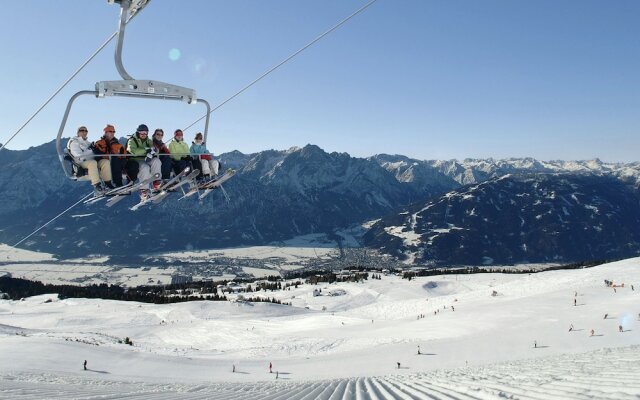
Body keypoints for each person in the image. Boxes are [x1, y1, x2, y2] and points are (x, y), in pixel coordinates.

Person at [68, 126, 112, 194]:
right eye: (82, 130)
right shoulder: (74, 142)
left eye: (86, 131)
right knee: (93, 163)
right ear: (78, 132)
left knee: (105, 162)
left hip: (90, 161)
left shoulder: (86, 142)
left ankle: (108, 183)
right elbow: (78, 155)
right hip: (80, 163)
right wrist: (90, 150)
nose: (84, 132)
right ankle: (97, 186)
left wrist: (96, 149)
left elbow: (92, 152)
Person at [126, 124, 162, 198]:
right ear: (138, 132)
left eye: (145, 133)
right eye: (142, 132)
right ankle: (144, 190)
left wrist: (153, 151)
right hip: (136, 159)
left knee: (157, 161)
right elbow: (133, 151)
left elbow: (155, 149)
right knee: (145, 167)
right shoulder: (132, 140)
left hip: (147, 158)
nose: (144, 134)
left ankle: (156, 182)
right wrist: (146, 150)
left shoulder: (148, 141)